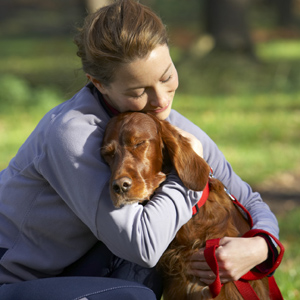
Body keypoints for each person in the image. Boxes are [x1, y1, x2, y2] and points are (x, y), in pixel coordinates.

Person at [0, 0, 280, 299]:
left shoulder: (160, 119)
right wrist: (188, 167)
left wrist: (260, 246)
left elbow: (247, 199)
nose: (161, 100)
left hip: (77, 267)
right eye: (138, 91)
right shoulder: (71, 134)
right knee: (130, 297)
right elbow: (143, 246)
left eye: (166, 76)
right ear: (99, 84)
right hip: (15, 282)